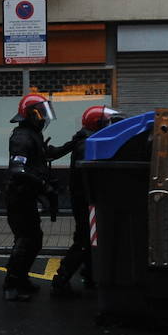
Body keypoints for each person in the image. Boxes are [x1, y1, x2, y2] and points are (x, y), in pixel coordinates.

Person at [51, 105, 123, 298]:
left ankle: (89, 275)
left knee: (91, 239)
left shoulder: (88, 140)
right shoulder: (87, 144)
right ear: (98, 124)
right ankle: (61, 279)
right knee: (84, 240)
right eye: (107, 122)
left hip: (86, 199)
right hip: (86, 200)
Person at [2, 93, 61, 301]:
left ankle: (21, 278)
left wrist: (74, 144)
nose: (44, 118)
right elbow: (17, 170)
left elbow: (46, 156)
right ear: (31, 115)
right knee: (26, 240)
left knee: (35, 240)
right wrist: (43, 185)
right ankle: (11, 285)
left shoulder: (33, 135)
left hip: (28, 196)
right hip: (19, 197)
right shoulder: (22, 137)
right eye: (41, 113)